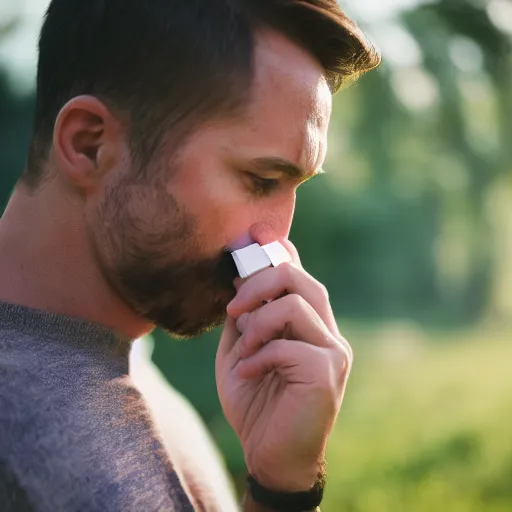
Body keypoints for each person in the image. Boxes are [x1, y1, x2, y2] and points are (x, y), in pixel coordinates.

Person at [0, 0, 379, 511]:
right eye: (261, 180)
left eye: (294, 188)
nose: (277, 240)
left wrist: (280, 487)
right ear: (89, 144)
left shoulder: (139, 369)